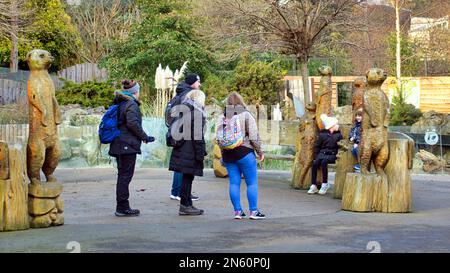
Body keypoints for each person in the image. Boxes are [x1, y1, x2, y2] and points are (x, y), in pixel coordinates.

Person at [109, 80, 155, 217]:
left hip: (119, 143)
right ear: (136, 92)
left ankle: (122, 206)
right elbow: (133, 124)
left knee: (122, 176)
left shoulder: (120, 103)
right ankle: (122, 207)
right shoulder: (131, 104)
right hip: (126, 145)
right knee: (125, 177)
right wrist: (145, 137)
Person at [217, 92, 266, 220]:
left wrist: (223, 155)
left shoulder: (222, 117)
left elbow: (219, 138)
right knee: (251, 183)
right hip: (245, 152)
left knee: (234, 183)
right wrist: (260, 151)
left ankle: (238, 212)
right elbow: (254, 136)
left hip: (228, 154)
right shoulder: (245, 115)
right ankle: (253, 212)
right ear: (241, 101)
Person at [168, 89, 207, 216]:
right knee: (188, 178)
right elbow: (198, 136)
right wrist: (201, 154)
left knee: (187, 177)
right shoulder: (196, 112)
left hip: (181, 148)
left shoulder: (183, 110)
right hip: (190, 149)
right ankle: (185, 205)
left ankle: (187, 203)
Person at [168, 74, 201, 202]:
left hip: (177, 131)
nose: (199, 84)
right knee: (183, 164)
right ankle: (181, 193)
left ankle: (178, 191)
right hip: (184, 133)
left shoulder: (179, 93)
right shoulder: (188, 95)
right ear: (193, 83)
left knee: (179, 163)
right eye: (198, 82)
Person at [307, 114, 343, 195]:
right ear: (331, 126)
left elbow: (340, 146)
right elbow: (317, 146)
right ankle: (313, 185)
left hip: (332, 154)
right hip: (322, 153)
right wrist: (316, 157)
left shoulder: (338, 135)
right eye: (336, 124)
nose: (338, 125)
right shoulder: (322, 134)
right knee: (315, 163)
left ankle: (325, 184)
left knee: (324, 162)